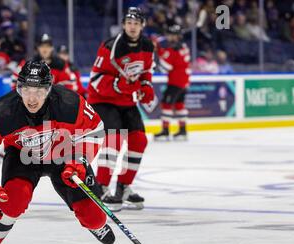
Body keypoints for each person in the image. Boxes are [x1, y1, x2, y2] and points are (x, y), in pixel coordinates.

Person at [0, 60, 115, 244]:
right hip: (23, 158)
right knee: (11, 203)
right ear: (18, 88)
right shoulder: (3, 111)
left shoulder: (69, 103)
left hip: (64, 154)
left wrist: (78, 161)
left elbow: (94, 130)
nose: (31, 98)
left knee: (94, 217)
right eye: (26, 90)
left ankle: (96, 224)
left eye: (39, 91)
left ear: (49, 90)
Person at [87, 7, 155, 211]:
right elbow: (95, 79)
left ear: (142, 25)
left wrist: (146, 86)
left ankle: (124, 186)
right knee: (114, 139)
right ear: (124, 25)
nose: (132, 27)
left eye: (136, 23)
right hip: (103, 99)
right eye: (129, 23)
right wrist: (119, 85)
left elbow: (146, 72)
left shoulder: (147, 46)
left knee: (139, 140)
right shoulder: (111, 46)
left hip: (127, 101)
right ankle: (101, 187)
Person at [154, 24, 191, 140]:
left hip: (176, 82)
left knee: (166, 104)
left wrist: (159, 51)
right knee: (180, 105)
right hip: (184, 82)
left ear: (176, 36)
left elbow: (166, 67)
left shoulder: (174, 49)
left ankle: (165, 131)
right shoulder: (183, 46)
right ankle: (183, 131)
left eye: (171, 35)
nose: (169, 37)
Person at [12, 34, 80, 94]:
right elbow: (15, 80)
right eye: (42, 46)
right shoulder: (28, 63)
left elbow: (71, 84)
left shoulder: (60, 64)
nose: (45, 49)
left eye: (47, 46)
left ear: (52, 48)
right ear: (38, 48)